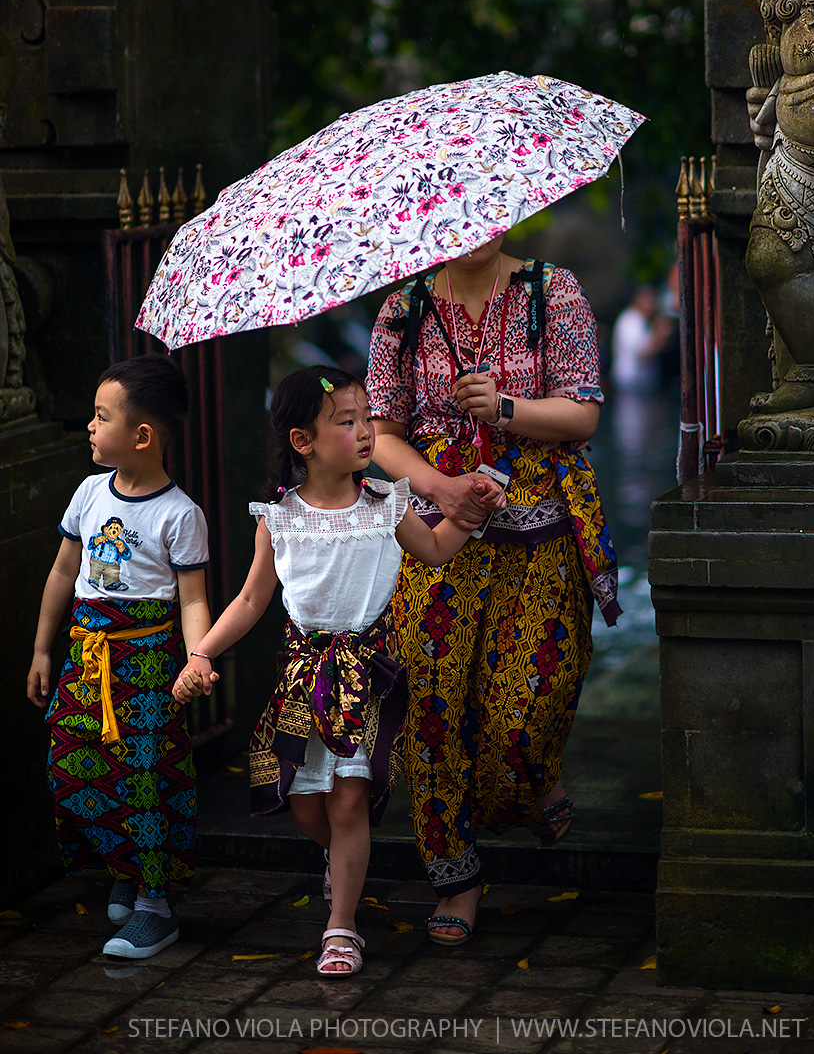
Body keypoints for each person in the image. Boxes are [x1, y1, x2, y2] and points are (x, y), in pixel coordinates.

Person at [173, 365, 504, 978]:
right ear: (303, 442)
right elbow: (250, 601)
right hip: (302, 674)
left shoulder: (385, 502)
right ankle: (341, 865)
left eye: (367, 419)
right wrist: (201, 654)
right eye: (346, 422)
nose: (365, 433)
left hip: (367, 674)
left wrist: (469, 511)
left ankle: (341, 927)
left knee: (349, 800)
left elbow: (434, 550)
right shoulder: (281, 518)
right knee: (307, 803)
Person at [367, 234, 618, 946]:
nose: (475, 230)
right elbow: (382, 435)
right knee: (434, 707)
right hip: (436, 536)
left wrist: (506, 407)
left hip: (540, 536)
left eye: (489, 214)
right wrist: (439, 485)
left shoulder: (552, 291)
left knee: (527, 706)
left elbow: (584, 412)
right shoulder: (403, 310)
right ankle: (458, 877)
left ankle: (533, 772)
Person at [26, 352, 210, 959]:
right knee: (69, 765)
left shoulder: (180, 514)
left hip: (147, 663)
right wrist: (42, 649)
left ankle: (155, 905)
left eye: (101, 417)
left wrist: (196, 657)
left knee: (144, 778)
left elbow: (190, 600)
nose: (90, 426)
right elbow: (62, 571)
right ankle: (125, 868)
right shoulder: (87, 492)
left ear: (142, 436)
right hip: (85, 656)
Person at [611, 286, 672, 393]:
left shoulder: (642, 320)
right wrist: (660, 335)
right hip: (633, 382)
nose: (652, 303)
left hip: (640, 382)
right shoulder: (631, 320)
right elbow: (643, 353)